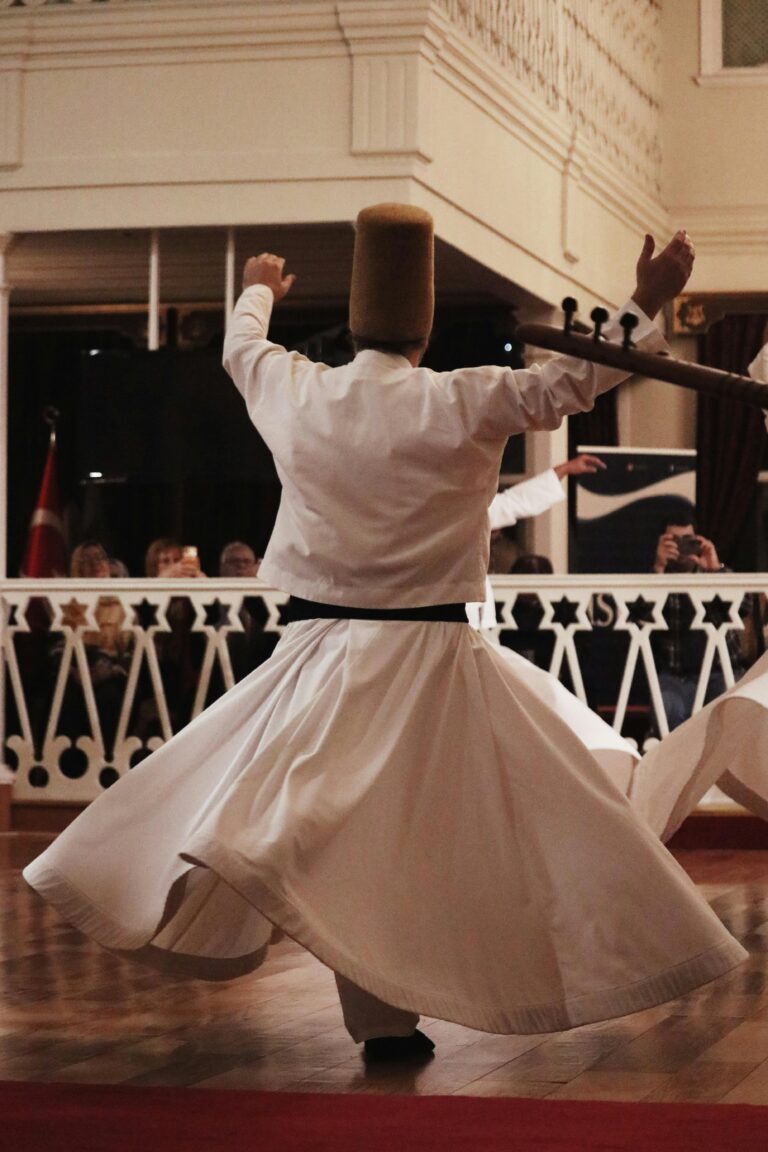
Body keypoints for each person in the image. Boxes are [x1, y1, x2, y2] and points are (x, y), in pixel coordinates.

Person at [25, 207, 746, 1064]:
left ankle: (313, 929)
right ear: (425, 328)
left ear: (355, 321)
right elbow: (575, 381)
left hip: (322, 657)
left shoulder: (300, 388)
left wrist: (257, 290)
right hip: (431, 663)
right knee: (427, 838)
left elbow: (240, 350)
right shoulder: (464, 396)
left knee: (328, 821)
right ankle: (365, 979)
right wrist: (645, 299)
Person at [651, 517, 747, 730]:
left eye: (688, 540)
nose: (682, 546)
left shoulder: (712, 574)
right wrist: (658, 566)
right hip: (675, 675)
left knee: (734, 712)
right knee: (666, 709)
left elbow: (745, 606)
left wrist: (716, 569)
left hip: (720, 670)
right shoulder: (658, 578)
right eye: (674, 540)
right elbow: (641, 616)